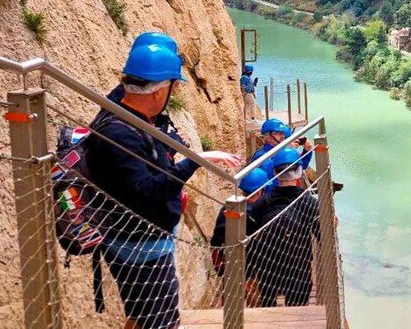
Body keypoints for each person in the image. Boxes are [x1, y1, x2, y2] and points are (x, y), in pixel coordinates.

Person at [87, 42, 243, 329]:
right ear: (159, 91)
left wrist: (169, 144)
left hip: (131, 238)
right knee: (162, 322)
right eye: (173, 87)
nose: (175, 94)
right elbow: (149, 191)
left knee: (139, 316)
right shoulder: (121, 134)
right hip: (141, 247)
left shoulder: (122, 110)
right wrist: (194, 160)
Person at [255, 147, 320, 308]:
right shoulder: (309, 203)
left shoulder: (262, 202)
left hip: (268, 268)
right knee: (296, 310)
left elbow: (250, 234)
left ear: (275, 172)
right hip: (298, 267)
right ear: (299, 171)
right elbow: (322, 236)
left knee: (268, 309)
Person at [210, 168, 270, 305]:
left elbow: (216, 239)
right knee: (255, 301)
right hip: (254, 268)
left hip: (229, 263)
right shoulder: (260, 212)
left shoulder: (228, 207)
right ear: (261, 189)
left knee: (230, 300)